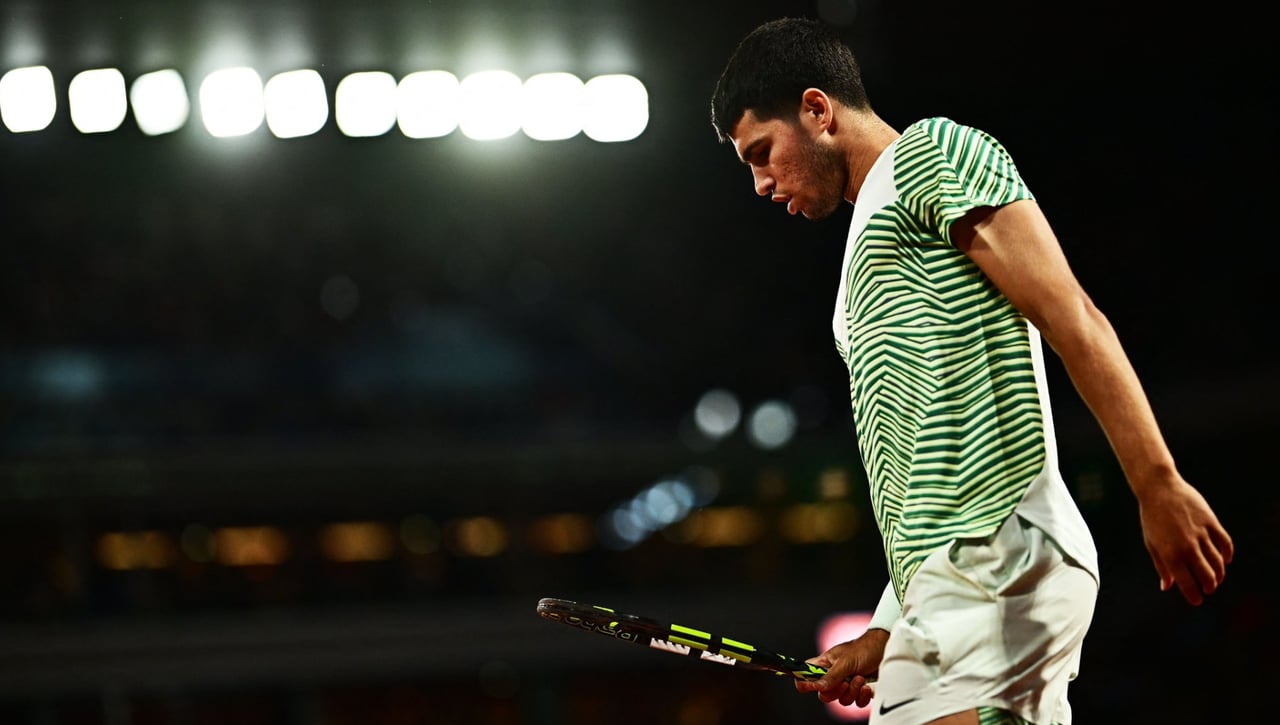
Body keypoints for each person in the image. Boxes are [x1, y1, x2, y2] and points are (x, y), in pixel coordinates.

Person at [710, 17, 1234, 725]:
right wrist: (887, 624)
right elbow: (919, 464)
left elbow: (1071, 313)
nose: (761, 183)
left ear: (816, 110)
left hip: (1000, 556)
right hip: (946, 585)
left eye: (762, 153)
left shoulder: (931, 153)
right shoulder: (867, 245)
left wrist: (1157, 480)